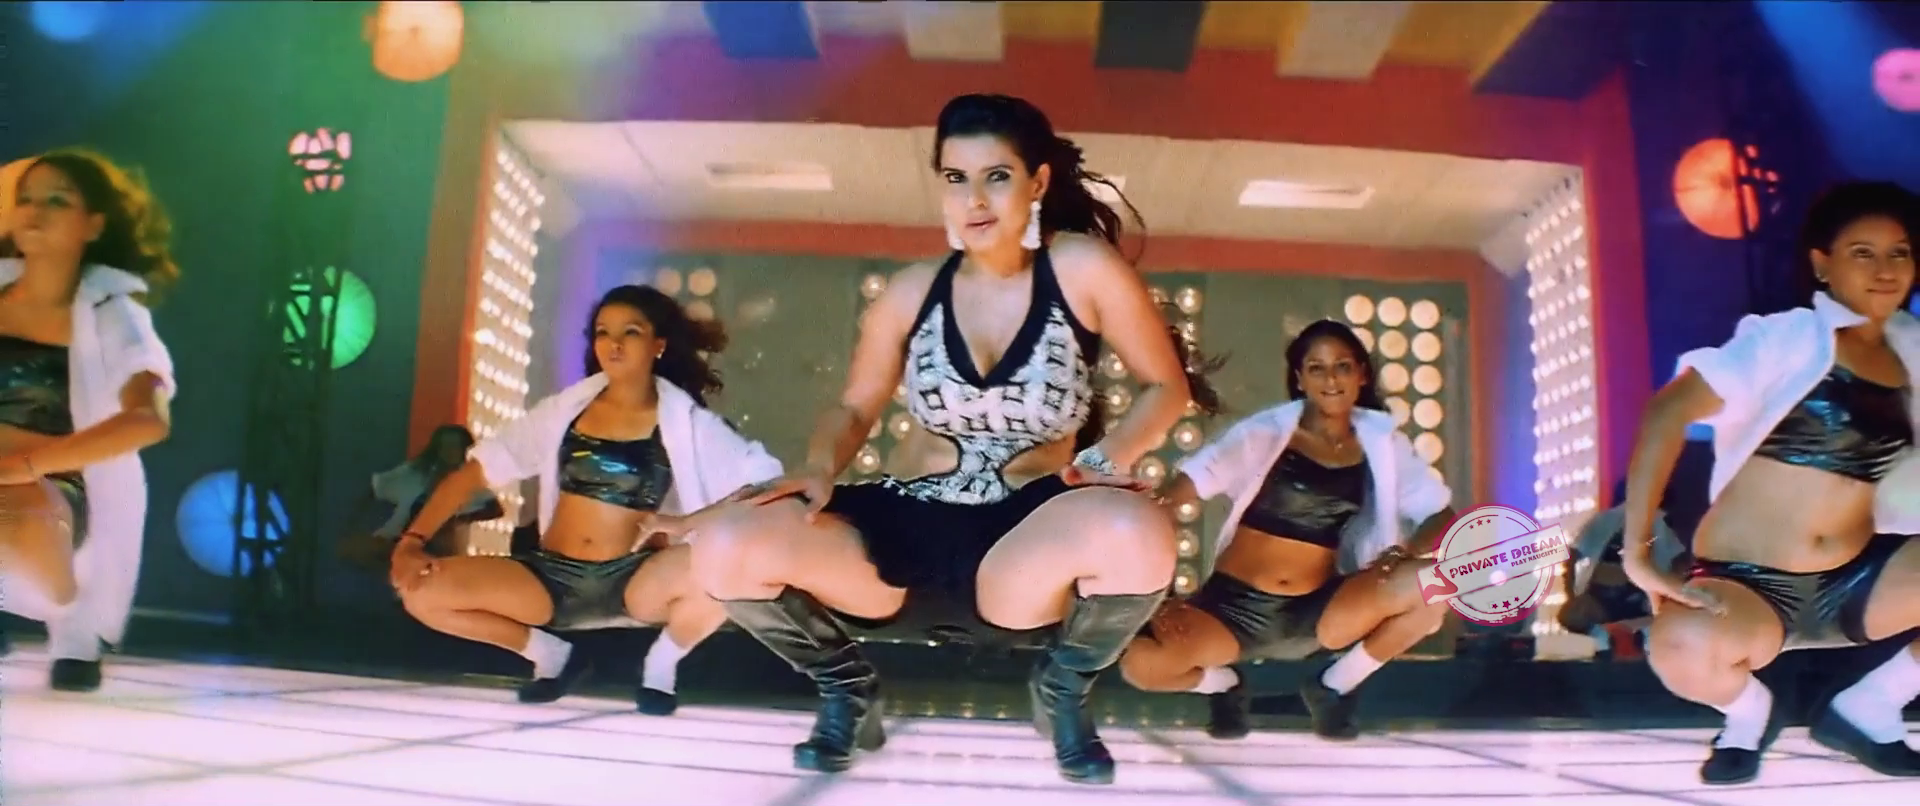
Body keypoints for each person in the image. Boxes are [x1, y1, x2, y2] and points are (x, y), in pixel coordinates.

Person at [685, 93, 1224, 784]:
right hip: (902, 527)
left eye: (996, 176)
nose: (974, 199)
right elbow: (854, 404)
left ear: (1036, 182)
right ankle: (845, 687)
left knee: (1139, 530)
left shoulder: (1079, 267)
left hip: (1022, 538)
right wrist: (819, 466)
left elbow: (1166, 387)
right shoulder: (912, 290)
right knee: (725, 543)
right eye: (954, 177)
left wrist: (1102, 461)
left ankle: (1061, 689)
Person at [1624, 181, 1920, 784]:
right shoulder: (1786, 338)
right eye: (1863, 253)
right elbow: (1666, 412)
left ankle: (1871, 707)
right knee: (1678, 646)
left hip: (1859, 580)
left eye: (1900, 253)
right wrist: (1638, 553)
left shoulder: (1913, 353)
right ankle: (1749, 714)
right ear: (1822, 264)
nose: (1885, 270)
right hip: (1748, 584)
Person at [390, 285, 782, 714]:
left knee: (731, 564)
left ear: (658, 344)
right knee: (421, 592)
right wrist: (411, 542)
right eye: (602, 332)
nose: (614, 344)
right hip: (549, 578)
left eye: (630, 332)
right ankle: (551, 656)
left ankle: (661, 667)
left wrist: (690, 525)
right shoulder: (564, 412)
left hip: (634, 580)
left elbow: (761, 479)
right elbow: (473, 474)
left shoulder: (687, 422)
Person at [1117, 320, 1456, 740]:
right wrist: (1157, 597)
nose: (1331, 379)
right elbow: (1171, 498)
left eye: (1342, 366)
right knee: (1140, 664)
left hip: (1318, 610)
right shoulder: (1264, 433)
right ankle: (1224, 686)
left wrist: (1406, 552)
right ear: (1299, 379)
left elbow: (1442, 514)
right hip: (1231, 612)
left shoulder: (1382, 443)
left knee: (1438, 584)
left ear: (1361, 374)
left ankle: (1334, 686)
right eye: (1317, 368)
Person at [0, 149, 179, 692]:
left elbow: (148, 420)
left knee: (23, 510)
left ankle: (71, 617)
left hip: (50, 492)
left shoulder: (113, 311)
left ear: (94, 225)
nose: (36, 211)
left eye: (57, 201)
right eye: (27, 200)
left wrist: (24, 466)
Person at [340, 425, 503, 570]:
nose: (449, 452)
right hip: (397, 540)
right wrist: (352, 523)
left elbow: (495, 508)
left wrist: (460, 519)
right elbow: (376, 486)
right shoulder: (415, 472)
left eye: (454, 447)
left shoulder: (468, 481)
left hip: (443, 550)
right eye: (445, 446)